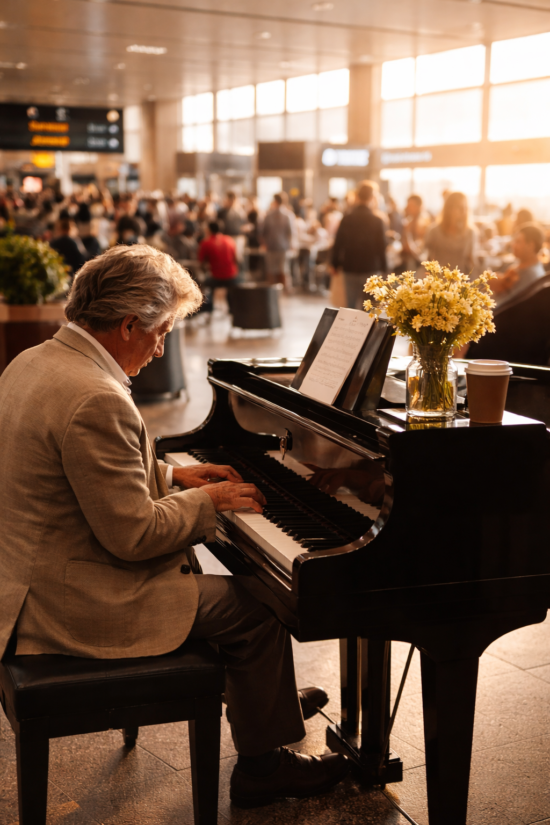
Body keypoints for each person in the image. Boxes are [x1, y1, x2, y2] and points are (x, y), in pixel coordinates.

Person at [0, 245, 349, 807]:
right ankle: (263, 765)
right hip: (72, 603)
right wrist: (209, 501)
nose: (163, 346)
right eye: (161, 331)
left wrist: (174, 476)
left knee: (245, 596)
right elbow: (133, 535)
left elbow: (84, 475)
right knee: (257, 609)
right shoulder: (94, 396)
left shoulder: (35, 361)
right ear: (129, 323)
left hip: (27, 581)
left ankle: (261, 698)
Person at [330, 180, 387, 309]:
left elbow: (338, 243)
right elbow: (381, 247)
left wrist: (335, 264)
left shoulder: (347, 218)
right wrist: (384, 268)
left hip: (350, 267)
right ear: (372, 198)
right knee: (370, 308)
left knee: (350, 306)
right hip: (371, 268)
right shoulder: (377, 220)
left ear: (357, 196)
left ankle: (351, 329)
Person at [491, 223, 546, 309]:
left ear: (531, 246)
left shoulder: (532, 275)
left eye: (518, 242)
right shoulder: (521, 265)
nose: (513, 245)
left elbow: (508, 305)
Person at [424, 191, 478, 275]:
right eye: (459, 207)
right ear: (449, 209)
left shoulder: (471, 233)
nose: (463, 211)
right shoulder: (434, 231)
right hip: (438, 280)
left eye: (465, 208)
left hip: (460, 281)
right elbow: (428, 259)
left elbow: (472, 262)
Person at [260, 193, 294, 289]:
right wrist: (291, 245)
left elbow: (263, 232)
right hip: (283, 247)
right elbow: (291, 233)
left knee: (271, 271)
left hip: (271, 246)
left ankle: (273, 292)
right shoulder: (288, 215)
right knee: (283, 270)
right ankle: (284, 291)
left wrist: (264, 244)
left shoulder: (269, 215)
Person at [401, 194, 429, 271]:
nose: (408, 208)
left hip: (421, 263)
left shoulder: (425, 222)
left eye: (411, 205)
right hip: (411, 261)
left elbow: (423, 246)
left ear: (419, 206)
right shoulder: (409, 222)